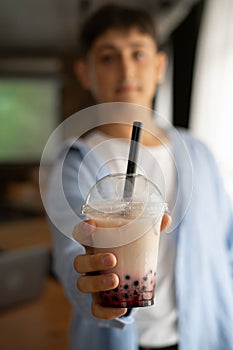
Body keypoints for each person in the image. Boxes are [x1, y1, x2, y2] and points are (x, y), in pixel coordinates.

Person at [46, 4, 233, 350]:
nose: (126, 69)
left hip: (208, 334)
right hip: (119, 340)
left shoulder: (199, 155)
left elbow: (227, 246)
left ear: (159, 66)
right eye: (107, 57)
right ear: (84, 72)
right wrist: (94, 292)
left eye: (138, 54)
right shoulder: (74, 165)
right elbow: (70, 255)